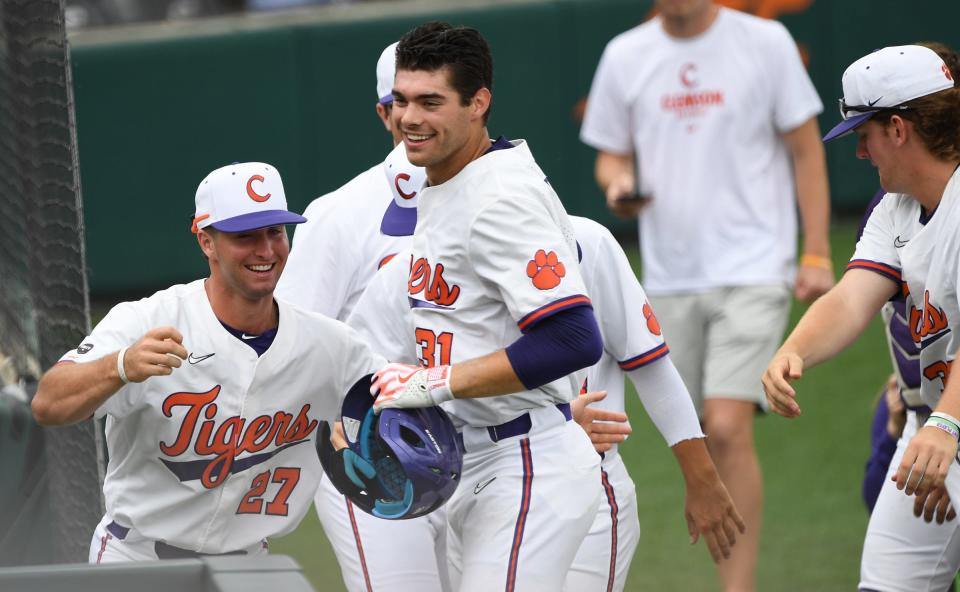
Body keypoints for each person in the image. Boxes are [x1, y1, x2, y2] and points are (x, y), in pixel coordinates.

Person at [348, 212, 745, 590]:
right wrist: (554, 418)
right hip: (468, 487)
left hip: (583, 487)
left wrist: (703, 479)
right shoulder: (412, 270)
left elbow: (649, 362)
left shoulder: (585, 242)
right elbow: (366, 380)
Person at [579, 1, 833, 588]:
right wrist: (617, 184)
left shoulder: (765, 42)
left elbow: (805, 146)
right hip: (667, 276)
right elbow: (610, 154)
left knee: (723, 426)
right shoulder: (625, 54)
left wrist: (816, 250)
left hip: (756, 265)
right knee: (693, 429)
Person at [30, 162, 386, 562]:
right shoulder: (149, 320)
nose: (266, 250)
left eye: (275, 232)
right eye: (245, 236)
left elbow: (399, 398)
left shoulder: (330, 346)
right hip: (137, 557)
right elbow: (49, 403)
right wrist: (120, 366)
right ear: (206, 241)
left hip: (249, 562)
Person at [762, 43, 960, 591]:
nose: (860, 153)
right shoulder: (896, 206)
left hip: (945, 426)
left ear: (899, 129)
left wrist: (947, 424)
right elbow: (852, 297)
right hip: (932, 434)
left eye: (863, 136)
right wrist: (792, 349)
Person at [276, 43, 444, 592]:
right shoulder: (339, 216)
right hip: (372, 446)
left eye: (433, 101)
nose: (417, 116)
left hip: (475, 441)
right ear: (384, 113)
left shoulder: (492, 200)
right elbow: (294, 339)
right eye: (403, 103)